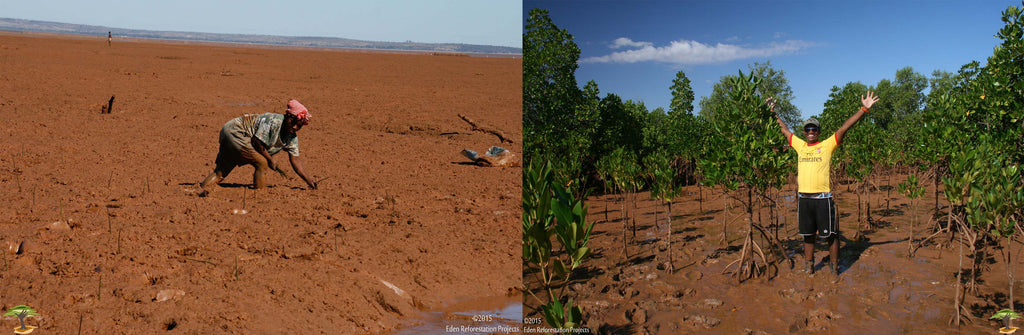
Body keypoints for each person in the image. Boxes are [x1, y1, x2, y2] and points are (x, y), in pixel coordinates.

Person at [769, 91, 879, 276]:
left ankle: (834, 268)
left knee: (831, 236)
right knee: (808, 235)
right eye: (808, 129)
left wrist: (863, 109)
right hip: (804, 199)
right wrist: (772, 112)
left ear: (818, 132)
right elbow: (784, 129)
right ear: (804, 132)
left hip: (823, 199)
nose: (811, 132)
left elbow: (844, 128)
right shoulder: (799, 145)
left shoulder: (827, 145)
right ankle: (809, 266)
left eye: (814, 129)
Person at [199, 99, 318, 196]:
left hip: (231, 134)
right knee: (262, 163)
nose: (296, 127)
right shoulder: (274, 121)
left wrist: (309, 181)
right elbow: (257, 142)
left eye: (300, 126)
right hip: (236, 131)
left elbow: (295, 160)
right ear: (288, 117)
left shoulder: (292, 138)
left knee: (221, 172)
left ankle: (199, 190)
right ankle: (260, 194)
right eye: (293, 122)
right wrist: (270, 159)